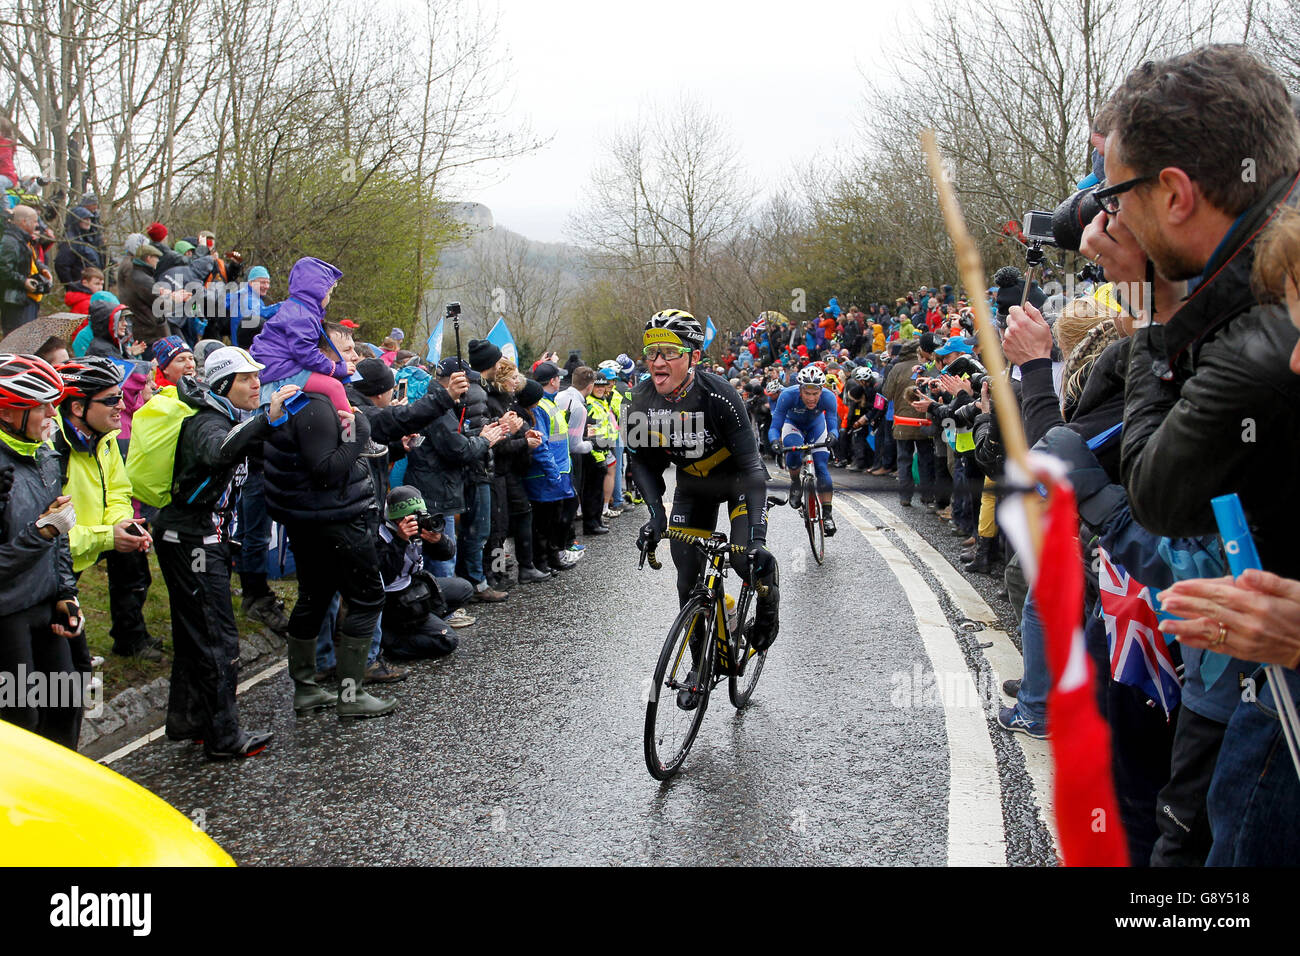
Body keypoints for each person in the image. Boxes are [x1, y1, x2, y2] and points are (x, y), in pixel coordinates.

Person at [625, 310, 778, 710]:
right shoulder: (641, 399)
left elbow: (754, 467)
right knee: (687, 581)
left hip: (739, 483)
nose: (657, 361)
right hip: (693, 486)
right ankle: (699, 667)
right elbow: (640, 461)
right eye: (651, 351)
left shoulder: (719, 396)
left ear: (693, 357)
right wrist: (656, 515)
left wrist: (757, 539)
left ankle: (767, 604)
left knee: (746, 560)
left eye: (669, 352)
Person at [153, 348, 285, 758]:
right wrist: (266, 418)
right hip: (191, 541)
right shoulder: (209, 420)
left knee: (195, 634)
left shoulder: (226, 415)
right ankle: (223, 738)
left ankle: (188, 719)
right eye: (247, 379)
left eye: (258, 377)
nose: (257, 384)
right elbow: (218, 451)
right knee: (217, 639)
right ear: (225, 384)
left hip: (194, 537)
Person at [0, 354, 84, 750]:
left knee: (66, 704)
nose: (54, 413)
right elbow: (45, 532)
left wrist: (66, 592)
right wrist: (40, 531)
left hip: (42, 601)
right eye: (42, 405)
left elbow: (60, 535)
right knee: (21, 720)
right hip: (5, 613)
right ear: (8, 412)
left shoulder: (46, 454)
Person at [53, 358, 159, 662]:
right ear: (77, 408)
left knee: (132, 553)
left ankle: (130, 638)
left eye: (121, 395)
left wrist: (122, 525)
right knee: (66, 670)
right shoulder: (51, 448)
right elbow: (51, 534)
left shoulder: (106, 437)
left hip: (84, 545)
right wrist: (108, 536)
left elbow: (118, 490)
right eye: (111, 399)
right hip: (52, 561)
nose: (121, 405)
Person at [376, 486, 474, 661]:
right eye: (410, 518)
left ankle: (421, 622)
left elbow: (447, 554)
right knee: (447, 641)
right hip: (391, 599)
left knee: (464, 588)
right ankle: (389, 642)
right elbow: (384, 576)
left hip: (414, 587)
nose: (417, 521)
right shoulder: (380, 534)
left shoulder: (420, 526)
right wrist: (400, 540)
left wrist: (439, 541)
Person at [249, 256, 353, 416]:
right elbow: (307, 354)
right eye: (329, 293)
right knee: (335, 387)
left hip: (274, 367)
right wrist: (337, 368)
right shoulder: (303, 316)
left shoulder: (296, 308)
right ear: (318, 292)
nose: (329, 298)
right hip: (280, 371)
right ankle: (350, 432)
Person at [768, 364, 840, 535]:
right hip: (793, 426)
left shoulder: (829, 397)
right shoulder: (787, 395)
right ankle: (795, 482)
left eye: (815, 394)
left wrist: (832, 436)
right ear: (800, 390)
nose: (811, 398)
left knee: (821, 466)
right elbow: (775, 426)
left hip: (817, 426)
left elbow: (833, 425)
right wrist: (774, 442)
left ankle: (828, 515)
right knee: (793, 456)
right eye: (807, 393)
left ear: (821, 391)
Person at [0, 205, 52, 334]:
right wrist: (24, 282)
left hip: (28, 298)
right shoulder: (9, 241)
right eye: (35, 221)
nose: (37, 225)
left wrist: (44, 270)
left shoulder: (24, 240)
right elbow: (3, 270)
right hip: (15, 302)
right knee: (17, 341)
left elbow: (32, 259)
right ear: (24, 221)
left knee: (28, 340)